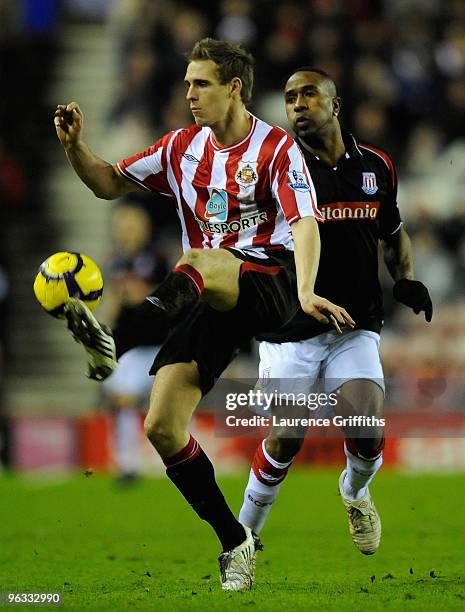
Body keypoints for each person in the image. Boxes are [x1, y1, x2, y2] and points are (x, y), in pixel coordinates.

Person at [54, 40, 354, 590]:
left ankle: (123, 333)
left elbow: (306, 224)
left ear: (234, 86)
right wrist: (76, 147)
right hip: (208, 294)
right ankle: (234, 541)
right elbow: (107, 182)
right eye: (188, 84)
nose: (189, 94)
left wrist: (308, 290)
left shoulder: (277, 149)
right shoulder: (178, 149)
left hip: (271, 281)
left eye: (202, 84)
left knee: (198, 258)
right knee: (161, 427)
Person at [238, 68, 433, 557]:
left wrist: (405, 278)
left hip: (354, 325)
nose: (298, 104)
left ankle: (355, 492)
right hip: (289, 330)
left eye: (308, 94)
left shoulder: (377, 166)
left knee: (367, 425)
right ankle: (238, 543)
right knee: (285, 439)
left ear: (336, 105)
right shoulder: (274, 168)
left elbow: (392, 232)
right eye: (289, 98)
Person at [102, 204, 169, 484]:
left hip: (157, 346)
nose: (127, 230)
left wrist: (141, 294)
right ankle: (128, 465)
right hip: (128, 346)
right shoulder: (114, 261)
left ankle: (179, 460)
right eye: (123, 225)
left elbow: (171, 297)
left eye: (132, 224)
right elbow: (112, 304)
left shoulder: (157, 258)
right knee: (122, 400)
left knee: (166, 408)